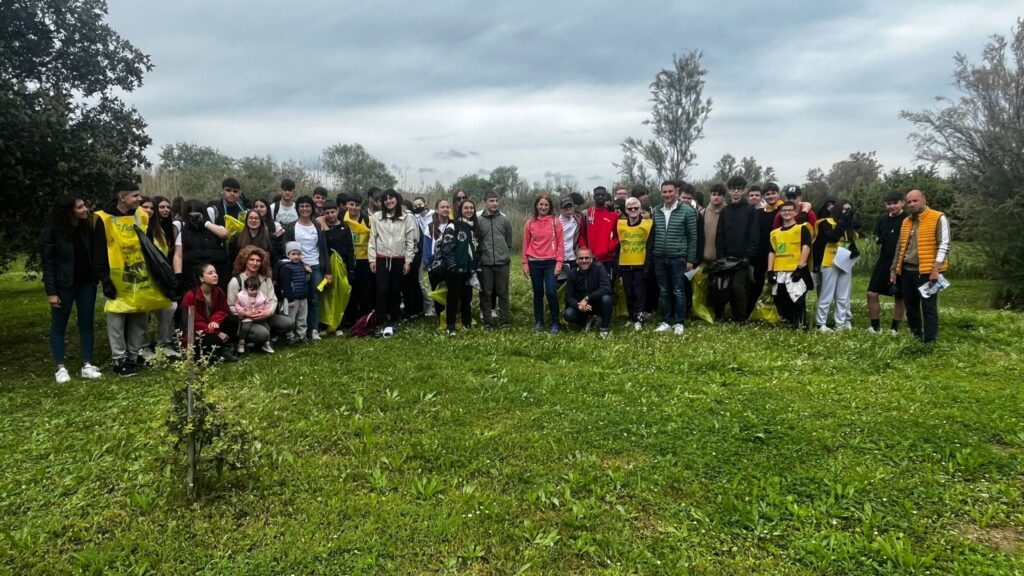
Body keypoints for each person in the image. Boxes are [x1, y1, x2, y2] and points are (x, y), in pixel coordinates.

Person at [94, 181, 172, 376]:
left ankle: (133, 355)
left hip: (139, 275)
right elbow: (99, 252)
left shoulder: (141, 216)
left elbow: (147, 245)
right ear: (122, 197)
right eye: (135, 196)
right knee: (117, 320)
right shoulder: (102, 219)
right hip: (117, 277)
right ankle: (119, 360)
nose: (140, 199)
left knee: (139, 318)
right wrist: (105, 280)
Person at [42, 196, 102, 383]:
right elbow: (48, 263)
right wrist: (51, 292)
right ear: (69, 211)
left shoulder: (87, 229)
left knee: (86, 324)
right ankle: (60, 368)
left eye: (85, 205)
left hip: (86, 285)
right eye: (80, 207)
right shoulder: (52, 232)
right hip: (63, 286)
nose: (86, 209)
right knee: (59, 326)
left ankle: (87, 364)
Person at [890, 189, 949, 345]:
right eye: (909, 202)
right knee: (911, 307)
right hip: (907, 271)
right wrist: (894, 269)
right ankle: (916, 335)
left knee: (929, 307)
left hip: (927, 272)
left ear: (924, 199)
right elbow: (900, 247)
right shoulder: (906, 221)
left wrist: (936, 269)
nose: (912, 204)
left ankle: (930, 340)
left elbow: (944, 244)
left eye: (915, 201)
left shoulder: (938, 217)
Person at [368, 189, 417, 338]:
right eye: (386, 199)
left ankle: (393, 319)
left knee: (396, 290)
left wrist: (408, 260)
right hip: (382, 258)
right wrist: (372, 259)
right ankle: (379, 321)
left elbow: (410, 240)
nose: (389, 201)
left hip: (399, 259)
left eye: (392, 198)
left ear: (397, 199)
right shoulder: (377, 217)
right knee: (382, 289)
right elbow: (372, 239)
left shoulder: (406, 217)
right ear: (382, 202)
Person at [651, 180, 698, 335]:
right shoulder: (656, 211)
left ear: (677, 192)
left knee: (678, 291)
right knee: (664, 291)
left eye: (670, 191)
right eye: (664, 192)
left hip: (678, 257)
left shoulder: (687, 211)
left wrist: (690, 259)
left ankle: (679, 322)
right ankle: (665, 321)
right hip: (660, 257)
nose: (667, 195)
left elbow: (693, 237)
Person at [226, 245, 293, 352]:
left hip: (265, 316)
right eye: (251, 260)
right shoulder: (236, 281)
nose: (255, 263)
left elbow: (273, 299)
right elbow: (231, 305)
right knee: (262, 334)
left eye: (258, 260)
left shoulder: (266, 279)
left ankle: (266, 339)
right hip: (245, 320)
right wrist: (245, 313)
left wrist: (269, 312)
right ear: (245, 261)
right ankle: (249, 340)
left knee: (288, 323)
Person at [712, 175, 760, 322]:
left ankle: (741, 318)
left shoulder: (750, 210)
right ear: (729, 191)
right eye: (733, 189)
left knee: (738, 288)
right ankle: (721, 315)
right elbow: (719, 234)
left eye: (739, 189)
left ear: (743, 190)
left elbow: (754, 236)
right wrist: (720, 255)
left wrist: (748, 256)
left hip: (742, 259)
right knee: (724, 288)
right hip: (726, 258)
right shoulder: (725, 211)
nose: (736, 192)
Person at [283, 195, 331, 340]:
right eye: (301, 206)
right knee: (297, 300)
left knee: (314, 299)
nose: (304, 209)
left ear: (312, 208)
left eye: (307, 206)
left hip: (316, 266)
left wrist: (328, 271)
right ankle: (295, 332)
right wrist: (299, 264)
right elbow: (285, 249)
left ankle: (314, 329)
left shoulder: (317, 226)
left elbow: (324, 249)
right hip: (297, 267)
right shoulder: (291, 227)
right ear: (297, 209)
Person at [813, 197, 859, 331]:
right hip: (829, 262)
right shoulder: (825, 222)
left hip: (845, 262)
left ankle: (841, 323)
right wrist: (842, 223)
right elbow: (832, 237)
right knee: (826, 294)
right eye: (843, 209)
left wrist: (854, 248)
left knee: (843, 295)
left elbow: (851, 238)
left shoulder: (849, 224)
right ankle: (821, 323)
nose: (846, 212)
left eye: (848, 210)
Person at [436, 199, 480, 335]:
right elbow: (446, 247)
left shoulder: (474, 227)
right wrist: (452, 266)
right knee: (453, 299)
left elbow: (476, 249)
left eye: (471, 208)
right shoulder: (453, 226)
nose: (469, 210)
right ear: (460, 210)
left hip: (469, 269)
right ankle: (450, 326)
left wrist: (475, 266)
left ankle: (467, 323)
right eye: (466, 208)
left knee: (467, 299)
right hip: (455, 270)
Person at [867, 192, 908, 334]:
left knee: (900, 296)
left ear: (902, 203)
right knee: (871, 293)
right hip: (884, 261)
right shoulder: (883, 219)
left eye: (895, 203)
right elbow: (880, 238)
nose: (892, 206)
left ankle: (894, 329)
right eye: (889, 204)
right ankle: (875, 327)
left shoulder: (908, 219)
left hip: (902, 263)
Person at [768, 201, 813, 329]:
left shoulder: (801, 228)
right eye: (784, 210)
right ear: (780, 213)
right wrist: (770, 270)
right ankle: (788, 322)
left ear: (795, 212)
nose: (787, 213)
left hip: (795, 270)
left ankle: (801, 325)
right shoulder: (775, 233)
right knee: (781, 299)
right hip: (780, 270)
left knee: (797, 299)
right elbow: (772, 251)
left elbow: (806, 247)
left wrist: (800, 267)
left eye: (790, 210)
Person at [180, 263, 239, 362]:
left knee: (232, 320)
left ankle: (225, 350)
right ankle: (210, 354)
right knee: (213, 340)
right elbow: (195, 322)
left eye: (215, 272)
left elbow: (224, 310)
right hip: (197, 332)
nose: (215, 275)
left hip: (211, 326)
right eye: (210, 273)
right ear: (201, 278)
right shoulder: (190, 296)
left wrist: (215, 321)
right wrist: (217, 332)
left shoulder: (218, 291)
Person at [522, 194, 564, 333]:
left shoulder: (555, 222)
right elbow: (525, 244)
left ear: (550, 206)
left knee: (551, 292)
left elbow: (560, 244)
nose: (543, 207)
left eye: (546, 205)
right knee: (538, 293)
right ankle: (539, 321)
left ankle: (555, 322)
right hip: (534, 262)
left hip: (551, 262)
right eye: (541, 204)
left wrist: (559, 262)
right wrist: (525, 264)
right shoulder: (529, 223)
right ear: (536, 206)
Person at [477, 191, 513, 327]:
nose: (494, 203)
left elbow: (508, 240)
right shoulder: (479, 220)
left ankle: (504, 321)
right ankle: (488, 321)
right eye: (491, 201)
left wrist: (503, 253)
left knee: (503, 292)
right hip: (485, 263)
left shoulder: (504, 220)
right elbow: (477, 241)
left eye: (496, 201)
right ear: (485, 202)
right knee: (486, 293)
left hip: (502, 262)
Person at [616, 196, 652, 330]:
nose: (632, 210)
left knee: (639, 293)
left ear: (639, 208)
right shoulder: (620, 224)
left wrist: (647, 265)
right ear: (626, 210)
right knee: (628, 292)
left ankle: (639, 318)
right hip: (625, 264)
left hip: (640, 264)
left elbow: (650, 246)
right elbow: (618, 246)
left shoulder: (647, 224)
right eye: (630, 208)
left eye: (635, 208)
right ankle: (631, 317)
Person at [180, 199, 231, 294]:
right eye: (191, 215)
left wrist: (205, 222)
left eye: (197, 215)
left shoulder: (212, 227)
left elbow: (225, 235)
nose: (195, 218)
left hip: (216, 273)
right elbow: (178, 254)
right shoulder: (183, 230)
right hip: (193, 275)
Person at [748, 182, 783, 318]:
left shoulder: (784, 211)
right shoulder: (759, 212)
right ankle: (751, 313)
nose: (771, 196)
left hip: (778, 253)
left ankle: (779, 314)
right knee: (755, 285)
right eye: (767, 194)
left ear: (778, 194)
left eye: (773, 193)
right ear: (764, 196)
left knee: (777, 285)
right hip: (759, 254)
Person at [564, 247, 614, 337]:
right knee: (568, 314)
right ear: (577, 260)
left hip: (597, 304)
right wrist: (578, 305)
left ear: (591, 259)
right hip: (582, 307)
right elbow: (568, 296)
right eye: (581, 258)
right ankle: (588, 322)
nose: (584, 261)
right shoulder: (572, 273)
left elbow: (606, 288)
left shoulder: (599, 268)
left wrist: (588, 298)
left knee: (607, 298)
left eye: (587, 258)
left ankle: (604, 329)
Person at [341, 193, 374, 328]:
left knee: (364, 291)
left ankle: (363, 319)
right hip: (348, 260)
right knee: (350, 291)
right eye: (351, 204)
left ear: (361, 206)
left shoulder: (367, 220)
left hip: (364, 259)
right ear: (346, 205)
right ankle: (349, 319)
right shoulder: (341, 218)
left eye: (357, 205)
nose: (354, 208)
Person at [581, 186, 619, 277]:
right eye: (597, 195)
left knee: (607, 286)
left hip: (608, 260)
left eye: (602, 195)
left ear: (606, 196)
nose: (600, 197)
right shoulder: (586, 214)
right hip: (591, 260)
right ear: (594, 197)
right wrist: (585, 251)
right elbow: (582, 235)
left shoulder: (613, 215)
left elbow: (617, 236)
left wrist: (610, 248)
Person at [279, 242, 311, 344]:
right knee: (291, 318)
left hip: (303, 296)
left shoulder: (302, 266)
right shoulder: (286, 267)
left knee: (302, 318)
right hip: (292, 299)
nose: (296, 256)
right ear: (288, 255)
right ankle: (290, 336)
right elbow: (285, 285)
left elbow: (306, 280)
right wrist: (290, 299)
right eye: (293, 254)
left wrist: (308, 272)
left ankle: (302, 335)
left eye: (298, 254)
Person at [412, 196, 436, 316]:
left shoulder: (434, 215)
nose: (418, 207)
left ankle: (438, 305)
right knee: (422, 281)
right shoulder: (416, 219)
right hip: (423, 252)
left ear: (425, 203)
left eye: (419, 204)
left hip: (436, 251)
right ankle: (428, 306)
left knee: (435, 281)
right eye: (415, 206)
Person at [234, 275, 270, 354]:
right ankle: (241, 342)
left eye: (256, 289)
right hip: (247, 317)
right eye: (251, 290)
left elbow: (267, 303)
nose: (254, 292)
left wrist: (264, 311)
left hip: (259, 316)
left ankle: (267, 343)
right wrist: (243, 312)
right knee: (245, 328)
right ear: (246, 289)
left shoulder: (262, 296)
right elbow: (237, 305)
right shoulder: (242, 296)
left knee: (267, 327)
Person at [557, 196, 585, 281]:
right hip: (560, 258)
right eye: (565, 207)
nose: (568, 209)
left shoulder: (578, 220)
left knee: (576, 281)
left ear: (573, 208)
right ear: (561, 209)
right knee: (561, 282)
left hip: (574, 257)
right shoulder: (556, 223)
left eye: (570, 207)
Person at [701, 183, 727, 267]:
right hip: (704, 259)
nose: (716, 197)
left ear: (724, 197)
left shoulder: (729, 213)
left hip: (724, 261)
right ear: (710, 196)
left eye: (719, 195)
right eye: (714, 194)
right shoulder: (703, 213)